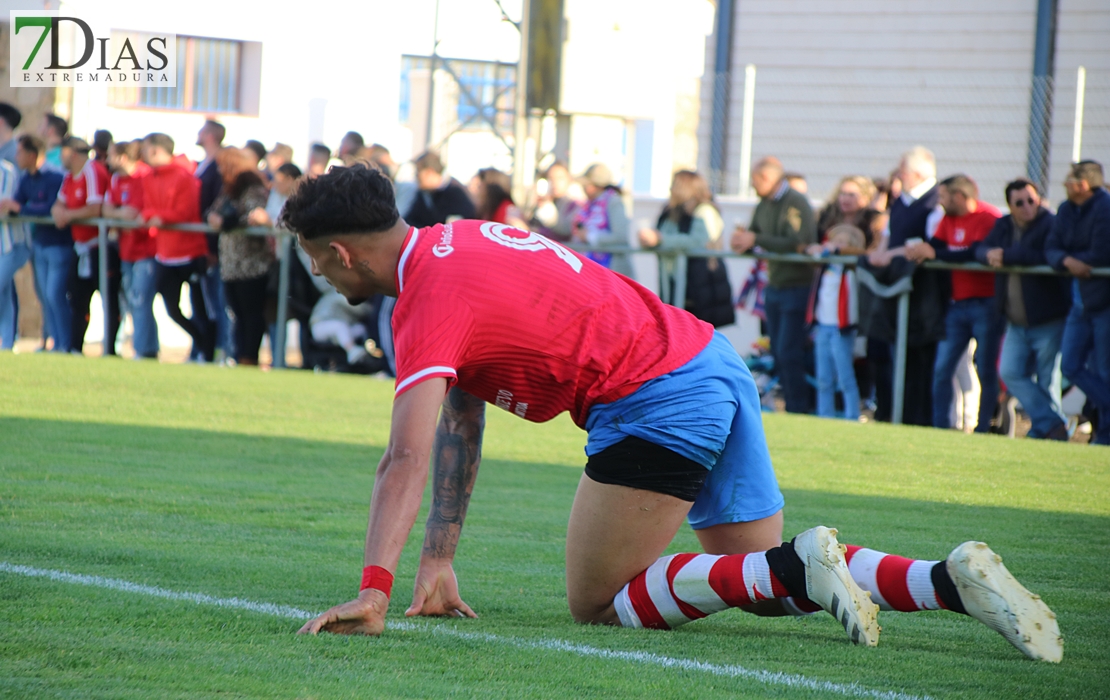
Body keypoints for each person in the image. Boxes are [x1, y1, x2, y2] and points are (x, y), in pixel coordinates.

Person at [281, 165, 1062, 665]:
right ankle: (950, 581)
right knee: (757, 581)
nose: (316, 273)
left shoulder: (423, 298)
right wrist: (437, 562)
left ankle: (801, 560)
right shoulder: (455, 241)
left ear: (340, 253)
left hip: (653, 391)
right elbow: (460, 416)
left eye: (313, 259)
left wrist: (375, 589)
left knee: (596, 602)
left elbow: (405, 457)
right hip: (706, 359)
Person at [904, 175, 1003, 432]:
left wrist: (935, 253)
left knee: (985, 369)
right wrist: (920, 250)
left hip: (986, 304)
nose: (940, 202)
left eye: (944, 196)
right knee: (942, 369)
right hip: (957, 305)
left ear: (959, 196)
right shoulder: (948, 219)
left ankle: (983, 428)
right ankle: (941, 427)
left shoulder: (988, 217)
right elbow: (936, 245)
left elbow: (975, 252)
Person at [977, 179, 1070, 440]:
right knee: (1009, 372)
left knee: (1047, 380)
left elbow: (1046, 255)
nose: (1028, 207)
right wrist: (989, 255)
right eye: (1020, 203)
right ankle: (1053, 424)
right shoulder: (1004, 225)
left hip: (1048, 319)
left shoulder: (1050, 223)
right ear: (1010, 206)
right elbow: (981, 249)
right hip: (1016, 321)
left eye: (1032, 200)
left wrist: (1007, 255)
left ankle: (1047, 430)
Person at [863, 146, 948, 426]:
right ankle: (891, 414)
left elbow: (926, 247)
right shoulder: (901, 201)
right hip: (898, 292)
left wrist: (891, 255)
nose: (898, 174)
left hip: (924, 296)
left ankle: (919, 421)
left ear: (917, 173)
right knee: (892, 356)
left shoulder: (936, 202)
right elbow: (890, 237)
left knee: (921, 362)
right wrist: (881, 252)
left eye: (903, 170)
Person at [730, 156, 817, 414]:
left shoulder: (796, 202)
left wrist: (754, 238)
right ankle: (789, 404)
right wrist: (744, 244)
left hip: (796, 286)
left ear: (767, 179)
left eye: (755, 181)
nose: (753, 186)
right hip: (775, 286)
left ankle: (798, 408)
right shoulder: (763, 203)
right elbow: (758, 239)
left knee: (789, 351)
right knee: (778, 351)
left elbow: (796, 241)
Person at [1045, 160, 1110, 446]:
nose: (1065, 184)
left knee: (1104, 371)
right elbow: (1051, 248)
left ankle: (1105, 434)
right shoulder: (1066, 209)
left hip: (1104, 302)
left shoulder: (1105, 208)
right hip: (1079, 302)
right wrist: (1068, 260)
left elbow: (1100, 253)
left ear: (1082, 185)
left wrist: (1071, 257)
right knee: (1070, 366)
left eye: (1069, 180)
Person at [139, 132, 214, 362]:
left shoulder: (183, 175)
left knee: (201, 307)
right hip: (165, 253)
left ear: (154, 150)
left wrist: (159, 216)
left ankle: (207, 352)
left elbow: (186, 211)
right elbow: (148, 208)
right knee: (171, 307)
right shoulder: (149, 177)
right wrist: (154, 216)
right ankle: (202, 344)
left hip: (191, 252)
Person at [1, 135, 70, 352]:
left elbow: (50, 207)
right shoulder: (26, 179)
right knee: (44, 297)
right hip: (40, 242)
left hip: (58, 244)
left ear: (32, 155)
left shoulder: (54, 177)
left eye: (20, 152)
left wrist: (20, 208)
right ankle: (50, 342)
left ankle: (63, 344)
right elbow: (17, 202)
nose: (17, 156)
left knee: (53, 295)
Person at [638, 170, 733, 327]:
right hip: (674, 283)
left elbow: (700, 241)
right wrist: (648, 240)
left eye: (675, 185)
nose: (670, 189)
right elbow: (661, 236)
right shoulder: (671, 211)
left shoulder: (705, 211)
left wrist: (660, 239)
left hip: (701, 285)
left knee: (698, 334)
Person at [207, 147, 273, 366]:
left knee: (251, 313)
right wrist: (214, 218)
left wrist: (226, 222)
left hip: (251, 263)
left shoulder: (252, 186)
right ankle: (239, 355)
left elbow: (253, 215)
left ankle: (248, 357)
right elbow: (213, 210)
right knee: (236, 311)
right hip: (231, 263)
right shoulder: (229, 189)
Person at [52, 136, 115, 355]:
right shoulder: (70, 176)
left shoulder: (92, 171)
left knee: (108, 297)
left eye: (62, 151)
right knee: (77, 297)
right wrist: (59, 212)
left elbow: (95, 208)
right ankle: (75, 347)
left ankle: (110, 349)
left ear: (72, 153)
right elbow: (58, 204)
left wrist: (68, 215)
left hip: (99, 246)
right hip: (81, 247)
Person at [806, 224, 867, 420]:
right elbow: (809, 252)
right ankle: (825, 416)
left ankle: (852, 416)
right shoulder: (825, 265)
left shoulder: (850, 267)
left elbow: (862, 253)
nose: (837, 246)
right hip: (823, 326)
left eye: (843, 243)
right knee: (823, 378)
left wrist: (839, 250)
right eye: (835, 241)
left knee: (845, 377)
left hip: (841, 328)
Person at [105, 140, 159, 360]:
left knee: (140, 298)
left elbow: (138, 212)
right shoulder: (117, 179)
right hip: (126, 250)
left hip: (147, 249)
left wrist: (124, 214)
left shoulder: (146, 176)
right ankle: (146, 347)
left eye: (111, 155)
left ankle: (145, 350)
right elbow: (108, 209)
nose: (107, 160)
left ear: (122, 157)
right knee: (131, 299)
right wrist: (120, 214)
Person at [195, 119, 230, 360]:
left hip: (213, 247)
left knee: (219, 303)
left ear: (210, 135)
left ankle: (223, 350)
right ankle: (205, 348)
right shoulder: (203, 165)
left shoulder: (218, 166)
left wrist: (211, 247)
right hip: (199, 243)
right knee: (204, 302)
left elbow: (215, 207)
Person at [572, 163, 631, 276]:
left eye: (587, 184)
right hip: (592, 270)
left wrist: (590, 236)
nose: (583, 188)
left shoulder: (614, 202)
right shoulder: (588, 206)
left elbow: (621, 237)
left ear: (597, 185)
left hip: (612, 271)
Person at [404, 151, 475, 228]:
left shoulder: (456, 192)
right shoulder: (424, 194)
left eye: (418, 172)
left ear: (429, 172)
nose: (416, 176)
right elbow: (410, 220)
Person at [0, 156, 26, 349]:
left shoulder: (6, 171)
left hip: (10, 244)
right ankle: (8, 343)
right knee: (5, 293)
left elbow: (5, 208)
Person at [816, 175, 884, 248]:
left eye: (851, 195)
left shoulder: (873, 220)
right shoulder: (827, 217)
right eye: (842, 193)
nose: (845, 198)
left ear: (865, 198)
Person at [531, 161, 580, 243]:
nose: (555, 183)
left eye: (560, 178)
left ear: (569, 179)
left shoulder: (575, 204)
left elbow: (565, 231)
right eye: (551, 178)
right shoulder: (550, 200)